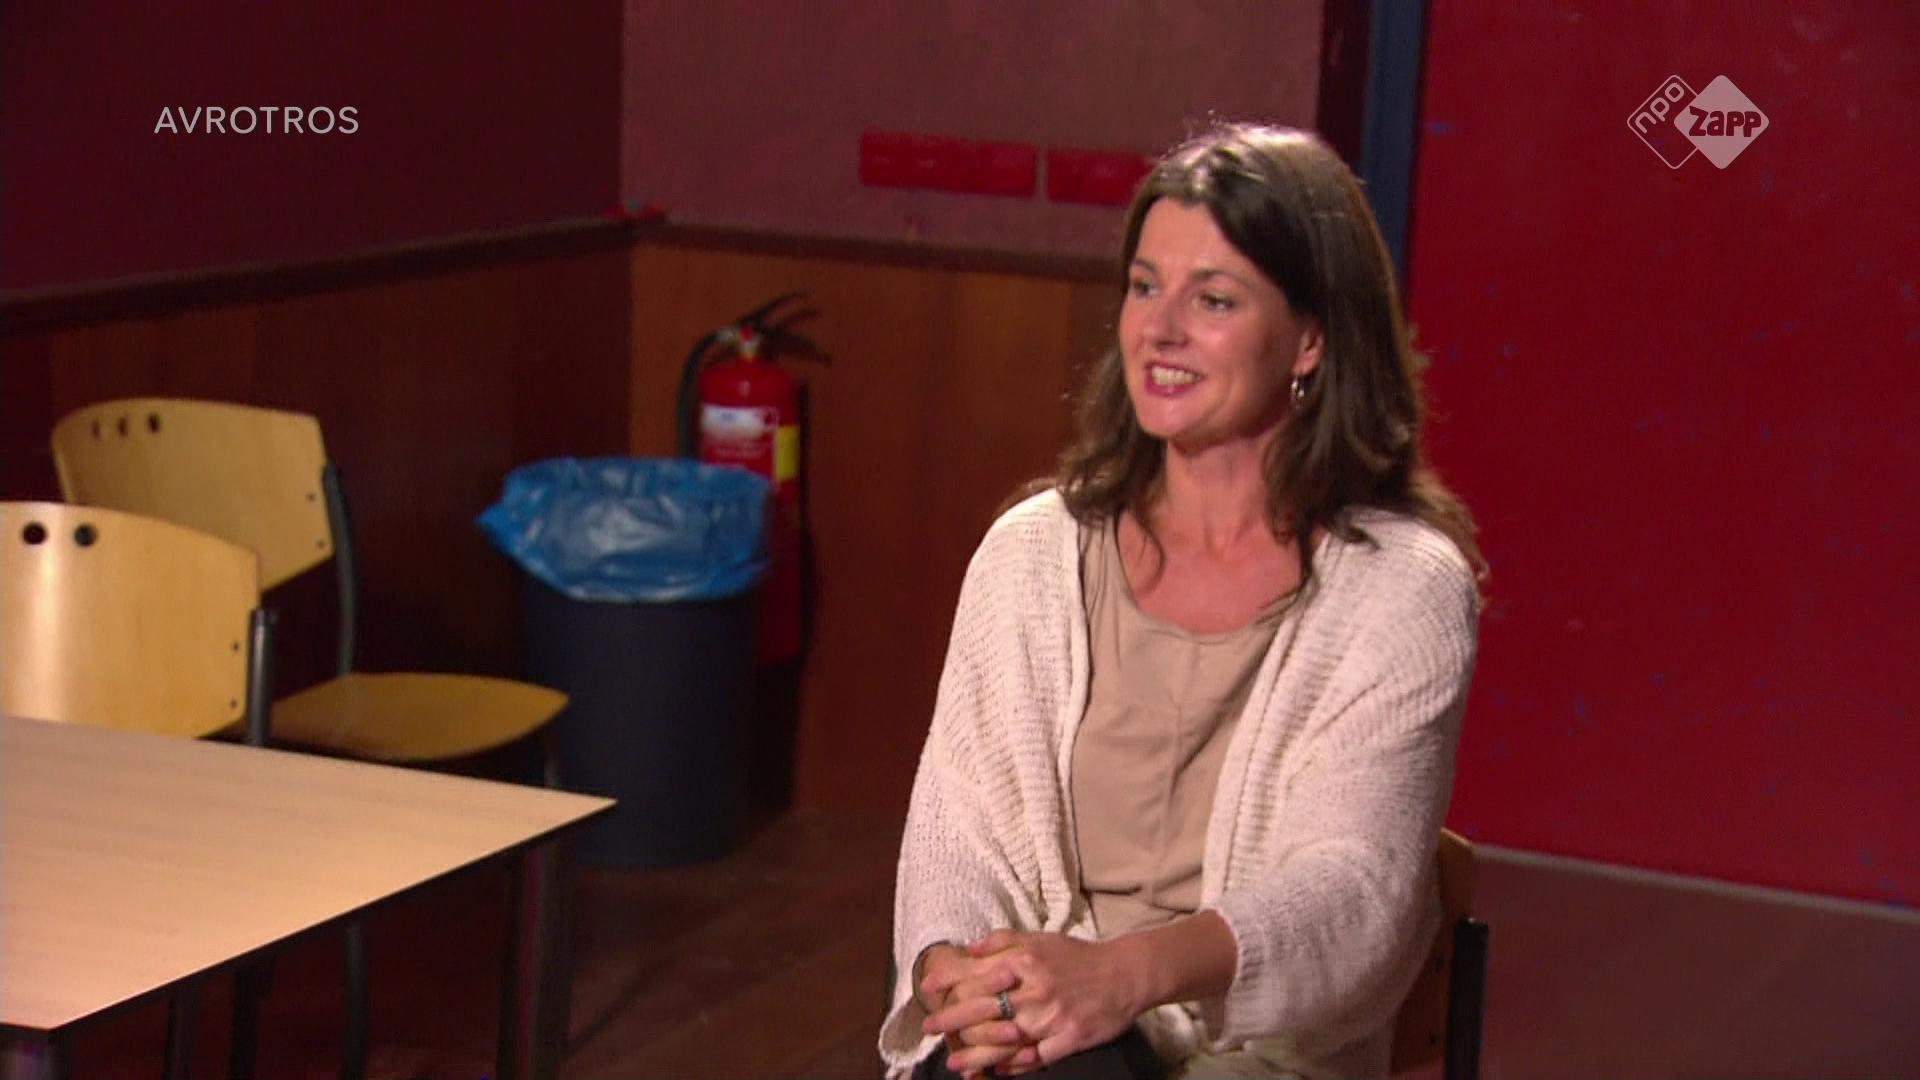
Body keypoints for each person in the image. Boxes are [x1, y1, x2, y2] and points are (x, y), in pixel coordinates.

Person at [877, 122, 1484, 1080]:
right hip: (1041, 1020)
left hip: (1258, 1051)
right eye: (1144, 286)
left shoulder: (1402, 589)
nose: (1159, 331)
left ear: (1312, 338)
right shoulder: (1030, 556)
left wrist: (1119, 979)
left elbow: (1353, 893)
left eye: (1214, 299)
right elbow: (959, 830)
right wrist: (953, 974)